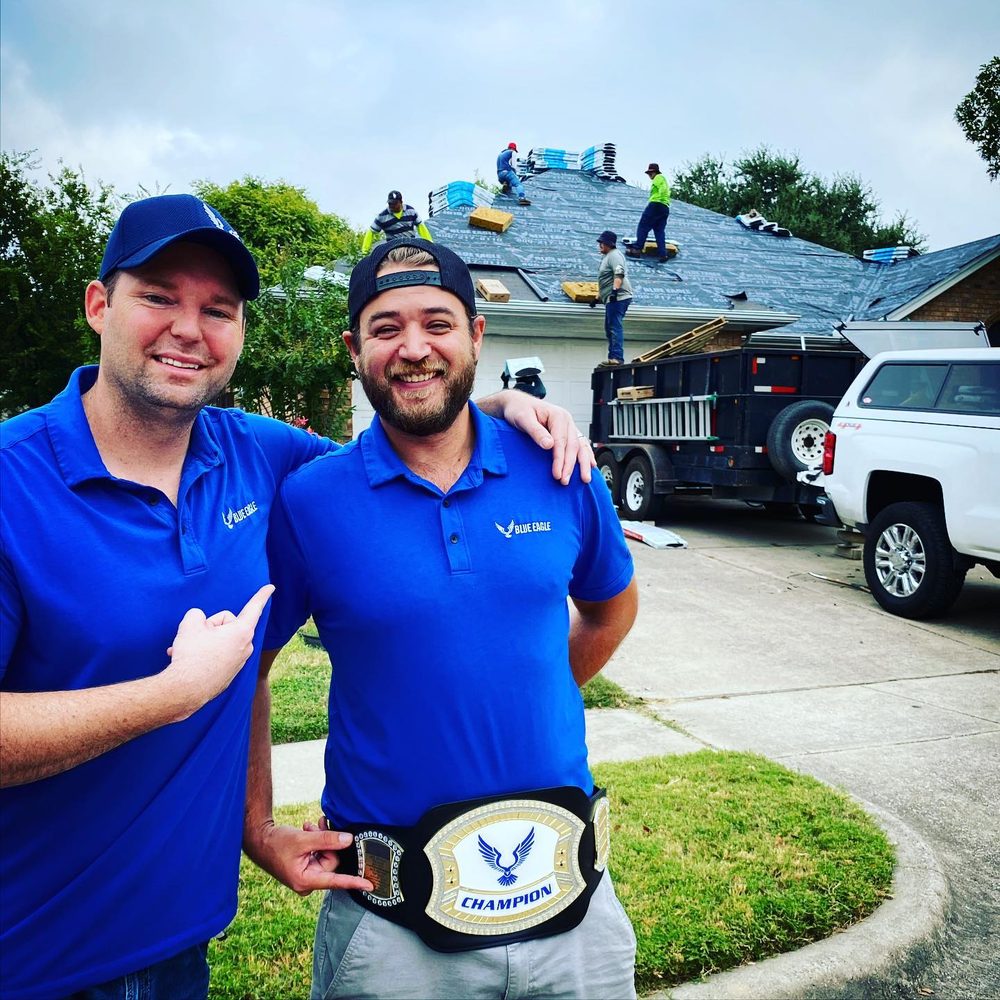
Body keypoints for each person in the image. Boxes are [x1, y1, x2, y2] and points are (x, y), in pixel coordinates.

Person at [0, 195, 595, 1000]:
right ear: (99, 305)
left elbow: (403, 439)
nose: (189, 328)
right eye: (158, 297)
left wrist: (497, 408)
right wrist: (172, 694)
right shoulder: (12, 480)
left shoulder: (258, 455)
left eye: (217, 309)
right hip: (30, 953)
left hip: (179, 942)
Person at [244, 238, 640, 1000]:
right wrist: (256, 829)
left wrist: (527, 692)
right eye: (386, 328)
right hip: (394, 937)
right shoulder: (312, 500)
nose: (414, 348)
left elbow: (610, 608)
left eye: (438, 323)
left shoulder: (558, 465)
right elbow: (248, 669)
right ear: (354, 349)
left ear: (477, 336)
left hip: (576, 915)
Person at [595, 230, 633, 367]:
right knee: (609, 328)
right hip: (612, 298)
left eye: (602, 243)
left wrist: (615, 291)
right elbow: (606, 279)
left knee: (614, 327)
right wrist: (598, 297)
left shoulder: (614, 255)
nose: (600, 245)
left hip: (619, 297)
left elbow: (619, 273)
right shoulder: (607, 257)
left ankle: (617, 358)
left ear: (608, 244)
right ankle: (613, 357)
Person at [360, 190, 434, 254]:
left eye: (395, 203)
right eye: (390, 203)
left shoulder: (411, 211)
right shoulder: (382, 216)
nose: (392, 206)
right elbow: (371, 231)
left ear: (401, 202)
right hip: (393, 250)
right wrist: (365, 251)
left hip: (410, 246)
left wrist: (430, 243)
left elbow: (421, 227)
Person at [626, 162, 671, 262]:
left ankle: (637, 248)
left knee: (643, 226)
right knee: (659, 231)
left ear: (655, 172)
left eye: (651, 173)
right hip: (665, 208)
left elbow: (662, 189)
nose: (650, 175)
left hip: (656, 204)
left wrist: (658, 197)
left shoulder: (659, 178)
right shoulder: (661, 179)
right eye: (648, 173)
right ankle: (663, 254)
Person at [496, 141, 531, 206]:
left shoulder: (500, 154)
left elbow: (498, 166)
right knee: (518, 184)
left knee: (508, 183)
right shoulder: (512, 152)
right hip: (507, 172)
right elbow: (514, 165)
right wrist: (515, 174)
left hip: (500, 175)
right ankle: (522, 198)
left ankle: (505, 185)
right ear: (514, 148)